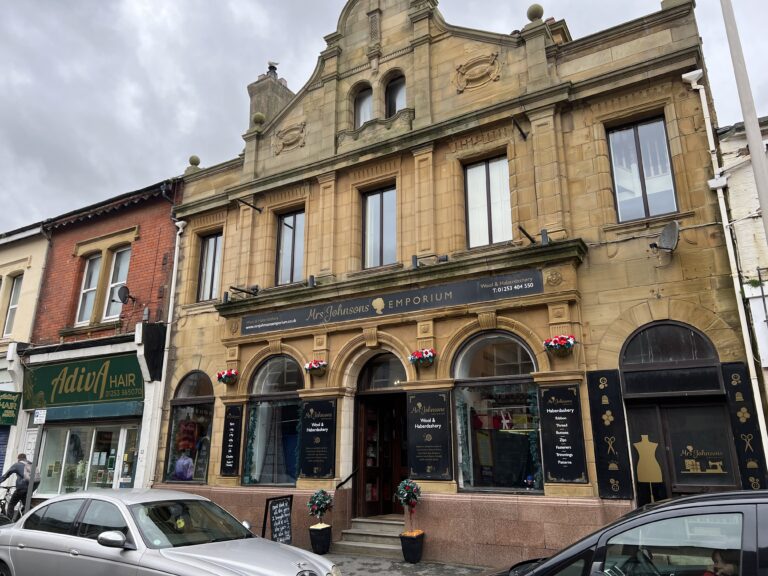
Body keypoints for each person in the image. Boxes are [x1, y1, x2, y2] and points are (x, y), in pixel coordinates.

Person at [0, 453, 39, 519]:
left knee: (11, 504)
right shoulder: (31, 464)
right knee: (26, 504)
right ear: (25, 458)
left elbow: (5, 475)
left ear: (19, 459)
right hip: (32, 487)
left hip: (21, 488)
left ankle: (9, 521)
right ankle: (36, 516)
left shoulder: (17, 465)